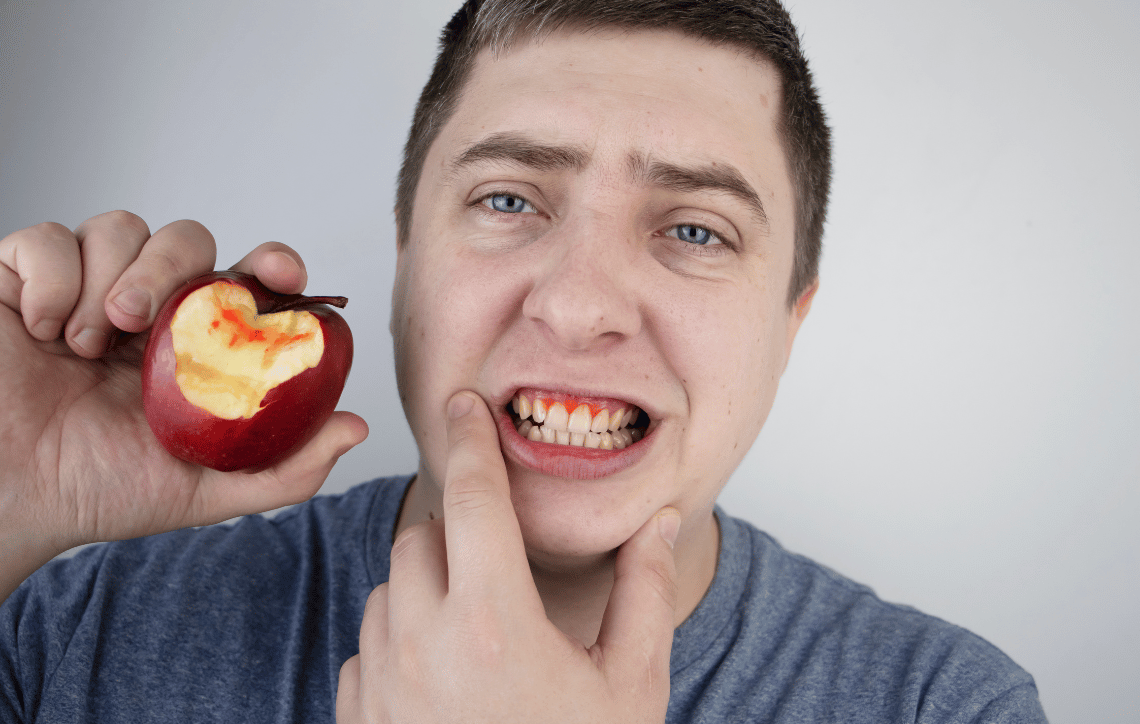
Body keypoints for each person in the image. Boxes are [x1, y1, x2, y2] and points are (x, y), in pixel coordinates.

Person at [0, 0, 1049, 721]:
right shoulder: (71, 632)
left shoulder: (943, 704)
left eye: (695, 230)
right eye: (508, 200)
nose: (582, 304)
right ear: (408, 259)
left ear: (791, 326)